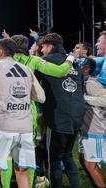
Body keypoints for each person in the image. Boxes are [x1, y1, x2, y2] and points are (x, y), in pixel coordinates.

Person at [0, 17, 75, 188]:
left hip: (4, 113)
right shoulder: (33, 61)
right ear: (27, 47)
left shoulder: (1, 59)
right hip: (27, 113)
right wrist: (70, 58)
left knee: (6, 155)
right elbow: (60, 72)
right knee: (26, 155)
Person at [0, 38, 45, 188]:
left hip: (3, 127)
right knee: (22, 172)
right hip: (24, 129)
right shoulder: (26, 70)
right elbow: (41, 97)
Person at [38, 33, 86, 188]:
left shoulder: (45, 61)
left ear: (51, 46)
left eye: (43, 47)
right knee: (68, 156)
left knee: (54, 160)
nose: (41, 50)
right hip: (77, 117)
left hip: (58, 118)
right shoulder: (75, 64)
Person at [77, 57, 106, 188]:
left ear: (87, 69)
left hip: (95, 129)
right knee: (82, 160)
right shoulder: (81, 82)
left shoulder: (91, 83)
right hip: (85, 129)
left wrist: (85, 98)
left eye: (78, 65)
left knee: (90, 164)